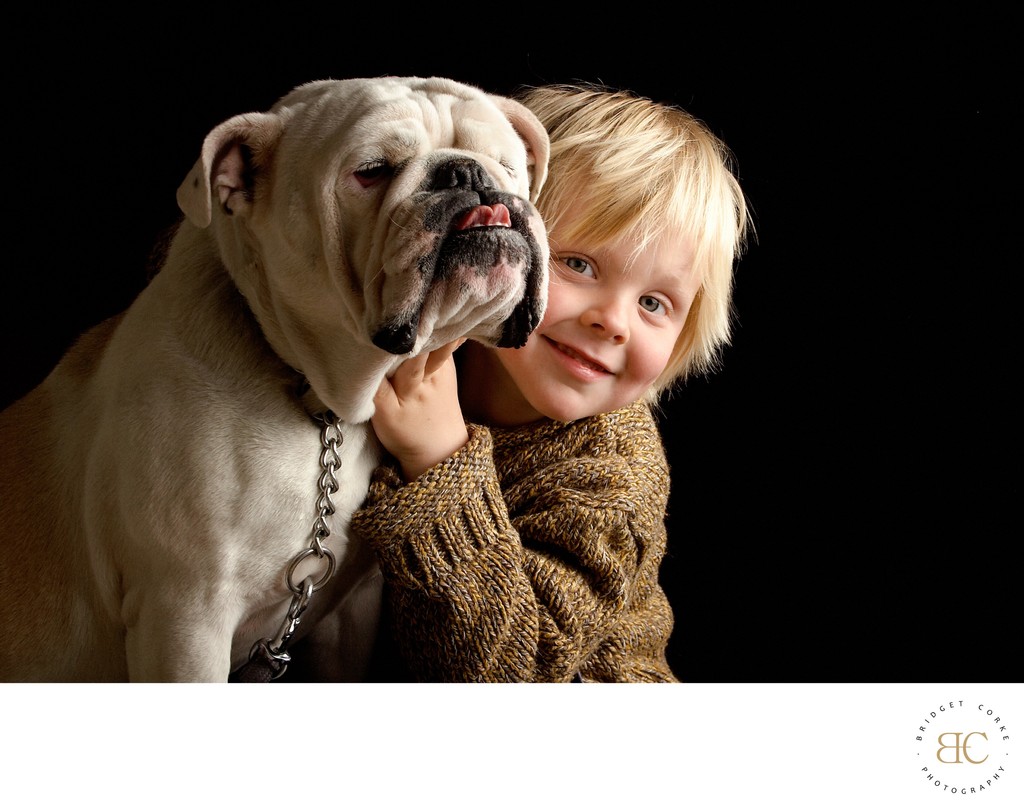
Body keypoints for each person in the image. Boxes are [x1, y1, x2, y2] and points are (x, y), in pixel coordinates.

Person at [354, 82, 751, 682]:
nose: (612, 321)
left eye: (653, 302)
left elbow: (518, 675)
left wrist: (438, 460)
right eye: (579, 264)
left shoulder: (615, 472)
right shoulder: (423, 343)